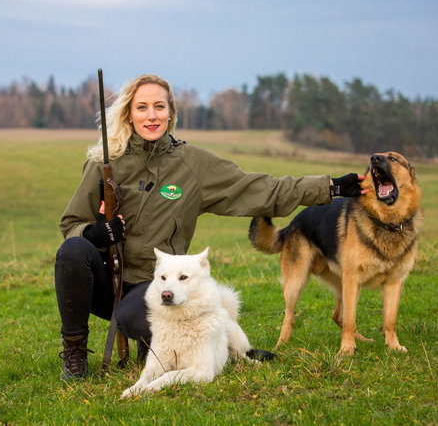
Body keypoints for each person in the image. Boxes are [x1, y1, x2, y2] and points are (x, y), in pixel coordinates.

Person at [54, 73, 366, 380]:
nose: (152, 116)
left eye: (159, 107)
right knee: (73, 250)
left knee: (134, 316)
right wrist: (93, 233)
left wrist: (330, 187)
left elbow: (258, 188)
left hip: (161, 288)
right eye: (142, 107)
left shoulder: (193, 164)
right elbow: (71, 224)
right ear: (128, 114)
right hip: (107, 282)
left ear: (171, 113)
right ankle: (75, 354)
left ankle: (204, 343)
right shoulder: (103, 163)